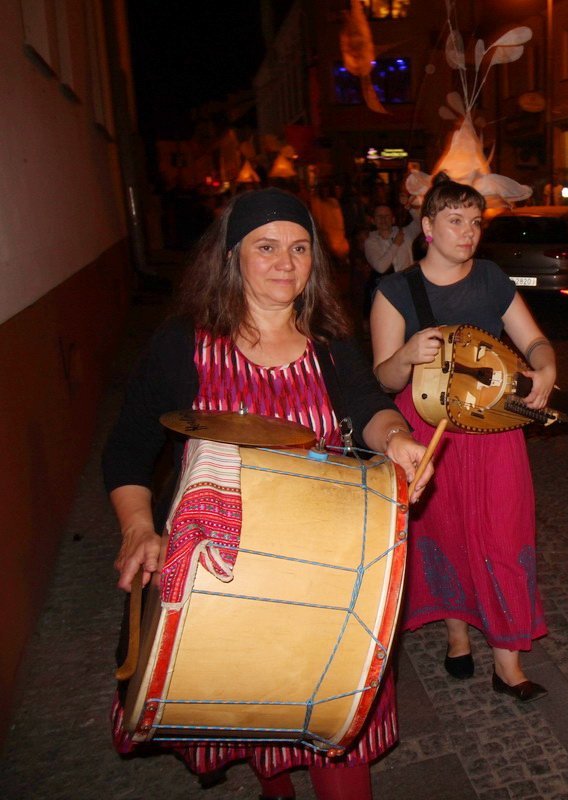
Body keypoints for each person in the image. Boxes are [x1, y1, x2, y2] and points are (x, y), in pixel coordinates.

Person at [103, 187, 432, 799]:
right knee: (256, 717)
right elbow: (127, 448)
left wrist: (398, 441)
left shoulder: (331, 349)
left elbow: (370, 409)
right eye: (267, 247)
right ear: (232, 257)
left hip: (327, 575)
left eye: (300, 247)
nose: (286, 261)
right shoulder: (184, 346)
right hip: (224, 578)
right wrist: (138, 528)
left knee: (336, 738)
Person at [370, 173, 555, 702]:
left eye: (475, 222)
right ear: (427, 226)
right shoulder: (396, 289)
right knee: (445, 530)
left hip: (493, 427)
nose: (468, 232)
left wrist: (545, 368)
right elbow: (382, 379)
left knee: (502, 530)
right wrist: (405, 356)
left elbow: (534, 339)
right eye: (455, 220)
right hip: (427, 431)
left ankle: (507, 659)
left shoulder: (493, 278)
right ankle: (456, 634)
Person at [362, 204, 421, 316]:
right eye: (379, 216)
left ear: (393, 219)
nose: (383, 219)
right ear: (373, 220)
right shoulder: (371, 242)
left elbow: (420, 222)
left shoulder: (405, 233)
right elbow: (381, 267)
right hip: (389, 292)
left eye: (387, 216)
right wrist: (396, 244)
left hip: (409, 287)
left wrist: (411, 207)